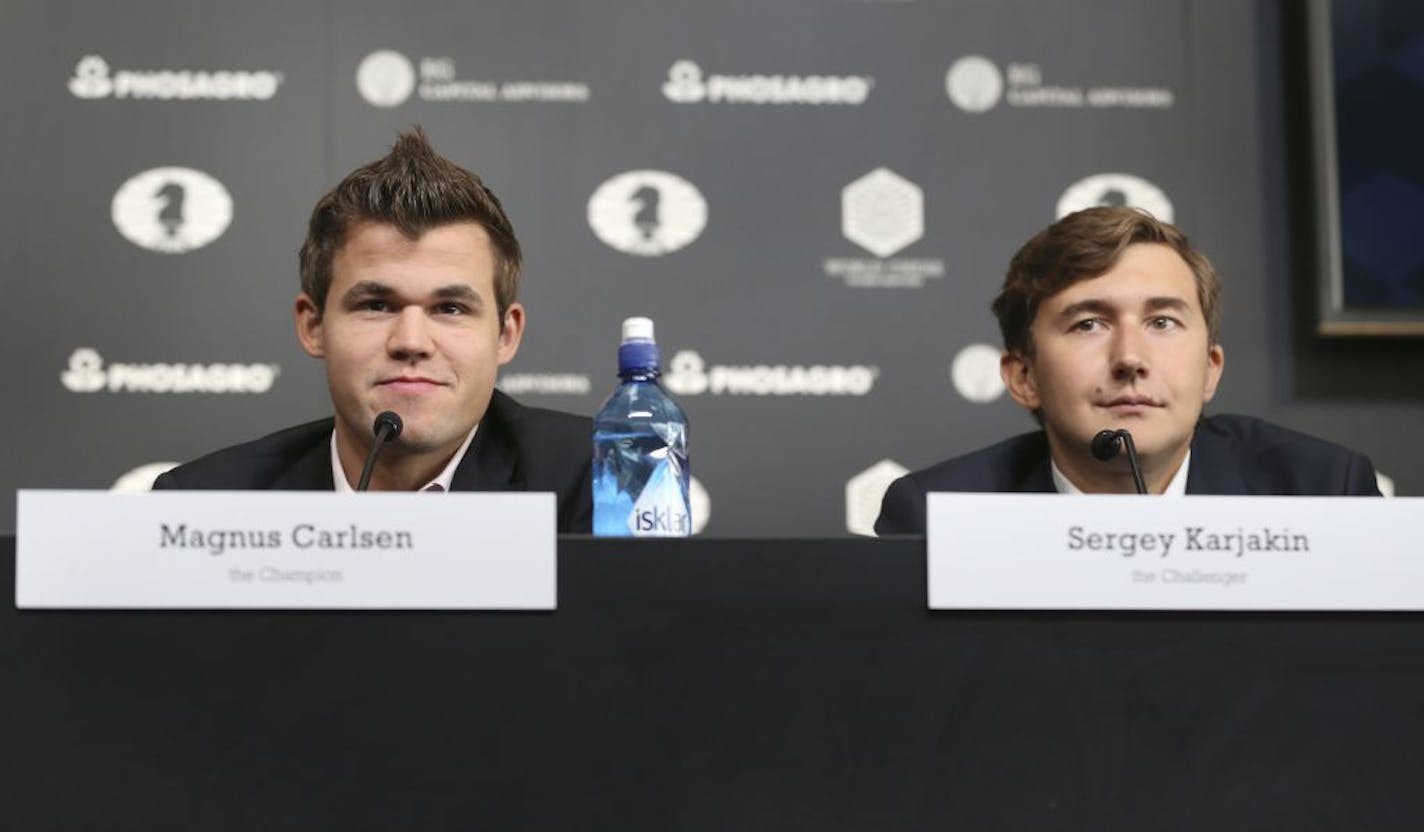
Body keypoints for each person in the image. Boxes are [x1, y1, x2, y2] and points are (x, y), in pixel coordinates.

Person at [155, 128, 591, 532]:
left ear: (505, 335)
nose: (411, 342)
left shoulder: (599, 482)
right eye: (377, 305)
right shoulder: (207, 509)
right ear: (313, 326)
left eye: (451, 308)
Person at [876, 206, 1380, 535]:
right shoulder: (939, 519)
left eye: (1162, 321)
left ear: (1210, 369)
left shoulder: (1321, 493)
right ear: (1023, 376)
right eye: (1089, 324)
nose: (1130, 359)